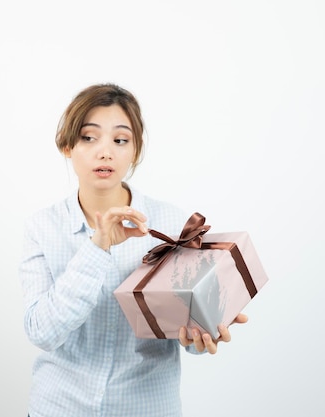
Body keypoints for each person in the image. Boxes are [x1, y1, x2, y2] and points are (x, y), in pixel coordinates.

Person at [19, 83, 247, 417]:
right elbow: (42, 332)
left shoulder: (172, 223)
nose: (105, 152)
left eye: (120, 140)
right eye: (88, 137)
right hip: (59, 407)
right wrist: (98, 248)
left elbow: (184, 329)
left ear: (135, 151)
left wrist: (203, 330)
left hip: (146, 407)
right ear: (67, 146)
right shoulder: (42, 227)